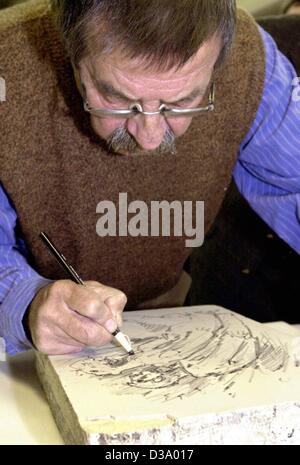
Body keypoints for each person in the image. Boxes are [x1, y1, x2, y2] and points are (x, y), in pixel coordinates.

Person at [0, 0, 299, 356]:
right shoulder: (8, 64)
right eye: (119, 99)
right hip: (24, 348)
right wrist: (27, 302)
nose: (150, 138)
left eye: (183, 101)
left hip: (170, 321)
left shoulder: (249, 60)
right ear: (72, 55)